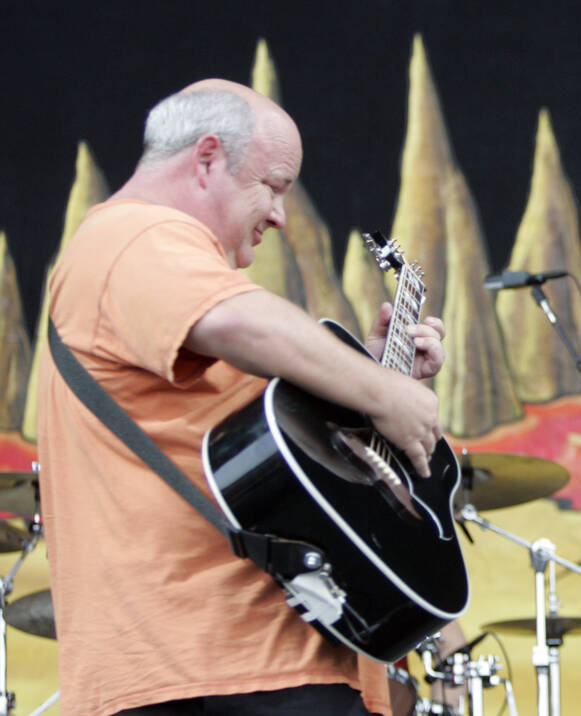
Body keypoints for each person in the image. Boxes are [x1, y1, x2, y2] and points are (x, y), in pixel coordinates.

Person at [36, 79, 451, 715]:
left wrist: (363, 377)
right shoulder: (134, 235)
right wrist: (381, 390)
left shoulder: (161, 276)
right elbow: (237, 320)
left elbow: (251, 439)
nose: (281, 216)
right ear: (206, 159)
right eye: (274, 186)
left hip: (248, 663)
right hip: (217, 669)